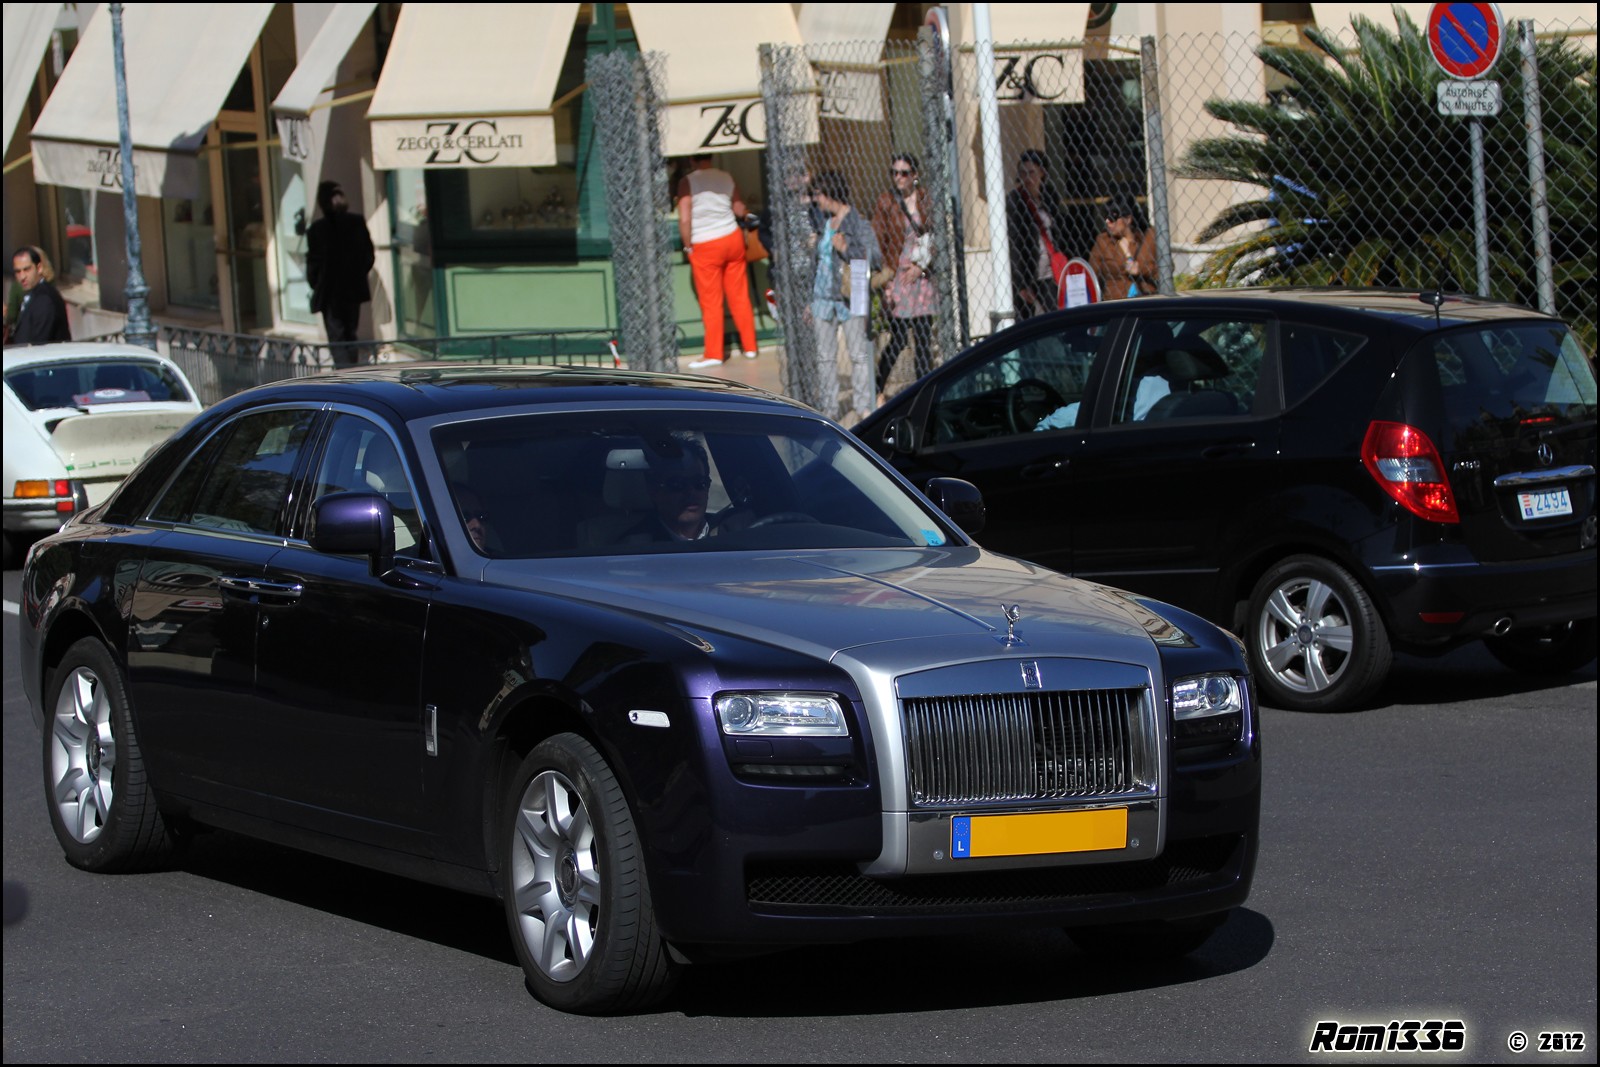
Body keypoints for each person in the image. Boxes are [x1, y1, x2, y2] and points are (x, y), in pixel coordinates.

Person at [809, 172, 879, 424]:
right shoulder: (822, 223)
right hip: (822, 298)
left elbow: (876, 258)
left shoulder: (858, 223)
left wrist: (845, 250)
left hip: (849, 298)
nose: (815, 200)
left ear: (829, 194)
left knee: (859, 355)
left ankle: (863, 406)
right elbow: (816, 265)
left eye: (818, 194)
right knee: (825, 357)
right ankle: (829, 407)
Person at [677, 155, 758, 368]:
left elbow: (685, 219)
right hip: (732, 238)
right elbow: (738, 208)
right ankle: (749, 346)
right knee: (739, 295)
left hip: (705, 243)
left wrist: (687, 246)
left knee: (711, 301)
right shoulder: (726, 176)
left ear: (691, 160)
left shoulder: (687, 182)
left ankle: (714, 352)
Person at [871, 153, 937, 400]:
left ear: (915, 175)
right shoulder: (887, 201)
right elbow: (879, 240)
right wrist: (886, 279)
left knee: (923, 338)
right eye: (894, 173)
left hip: (921, 274)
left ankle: (924, 390)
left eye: (904, 173)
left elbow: (936, 234)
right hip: (898, 275)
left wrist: (920, 266)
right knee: (897, 338)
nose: (899, 178)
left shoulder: (925, 199)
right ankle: (878, 387)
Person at [306, 180, 375, 366]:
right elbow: (368, 256)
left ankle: (345, 375)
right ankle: (350, 372)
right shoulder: (356, 222)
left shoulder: (317, 229)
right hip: (352, 289)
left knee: (337, 338)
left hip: (331, 291)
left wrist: (317, 282)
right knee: (350, 333)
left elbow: (313, 263)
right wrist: (358, 274)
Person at [1005, 150, 1067, 320]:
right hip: (1029, 272)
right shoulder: (1015, 201)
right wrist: (1021, 284)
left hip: (1049, 272)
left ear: (1042, 173)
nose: (1028, 178)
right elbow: (1015, 244)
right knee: (1028, 321)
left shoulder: (1049, 197)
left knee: (1054, 317)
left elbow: (1059, 232)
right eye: (1023, 173)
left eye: (1032, 172)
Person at [1090, 196, 1158, 300]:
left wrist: (1141, 269)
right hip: (1116, 304)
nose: (1108, 221)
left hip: (1146, 301)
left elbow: (1166, 268)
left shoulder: (1148, 237)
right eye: (1106, 217)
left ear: (1128, 219)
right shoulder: (1103, 241)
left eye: (1113, 217)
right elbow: (1091, 276)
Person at [9, 246, 70, 345]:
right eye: (18, 271)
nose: (22, 277)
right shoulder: (34, 294)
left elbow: (39, 343)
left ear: (39, 268)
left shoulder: (45, 299)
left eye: (27, 269)